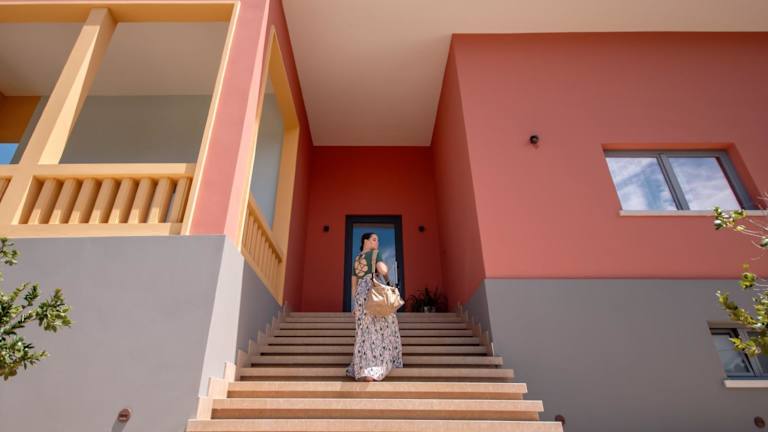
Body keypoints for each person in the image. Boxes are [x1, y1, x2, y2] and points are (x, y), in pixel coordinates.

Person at [345, 232, 403, 382]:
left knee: (364, 333)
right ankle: (376, 368)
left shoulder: (357, 259)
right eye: (374, 239)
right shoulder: (375, 254)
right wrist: (386, 273)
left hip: (360, 295)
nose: (377, 242)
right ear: (366, 241)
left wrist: (355, 305)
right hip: (373, 292)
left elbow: (353, 285)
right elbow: (383, 270)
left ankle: (363, 369)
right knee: (384, 328)